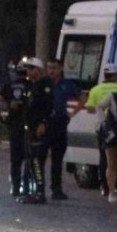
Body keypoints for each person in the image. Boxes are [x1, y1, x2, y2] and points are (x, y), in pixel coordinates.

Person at [45, 59, 83, 200]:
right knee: (39, 157)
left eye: (54, 68)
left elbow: (82, 97)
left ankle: (56, 189)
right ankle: (37, 187)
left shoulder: (66, 85)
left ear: (60, 68)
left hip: (59, 123)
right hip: (45, 123)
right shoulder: (44, 84)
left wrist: (73, 113)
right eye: (49, 68)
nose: (51, 71)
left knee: (57, 159)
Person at [0, 60, 30, 197]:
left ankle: (15, 187)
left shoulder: (9, 86)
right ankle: (27, 188)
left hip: (14, 125)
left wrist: (0, 117)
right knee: (29, 157)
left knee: (15, 159)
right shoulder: (32, 85)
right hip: (30, 125)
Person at [83, 64, 117, 197]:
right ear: (116, 75)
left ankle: (105, 187)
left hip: (102, 128)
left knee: (104, 158)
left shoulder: (95, 89)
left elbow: (89, 108)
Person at [19, 57, 54, 205]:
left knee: (37, 161)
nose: (28, 71)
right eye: (27, 68)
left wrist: (43, 123)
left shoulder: (44, 85)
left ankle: (40, 193)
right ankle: (35, 191)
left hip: (40, 129)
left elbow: (48, 106)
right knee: (32, 161)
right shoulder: (31, 86)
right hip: (31, 128)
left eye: (31, 68)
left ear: (38, 70)